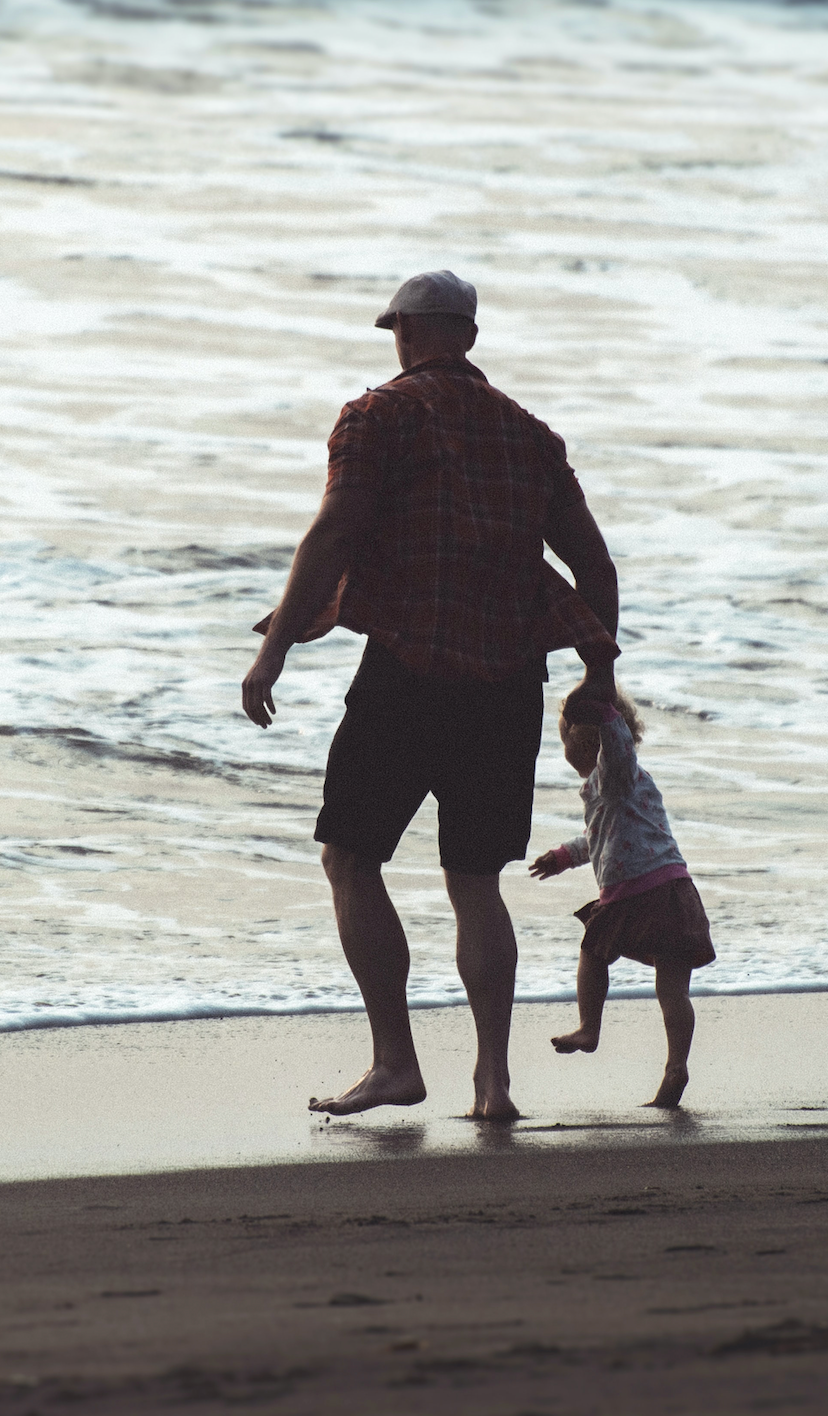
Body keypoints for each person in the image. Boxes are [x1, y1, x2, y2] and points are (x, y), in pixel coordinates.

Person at [241, 270, 621, 1121]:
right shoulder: (531, 435)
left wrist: (274, 652)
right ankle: (493, 1083)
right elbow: (594, 568)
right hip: (509, 680)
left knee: (350, 856)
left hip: (408, 670)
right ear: (471, 338)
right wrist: (598, 678)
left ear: (405, 333)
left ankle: (395, 1064)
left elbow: (336, 529)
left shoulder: (376, 416)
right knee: (475, 879)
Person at [529, 688, 715, 1109]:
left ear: (589, 741)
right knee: (672, 990)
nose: (563, 751)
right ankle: (676, 1068)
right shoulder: (613, 789)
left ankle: (588, 1026)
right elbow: (599, 839)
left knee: (593, 953)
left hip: (637, 896)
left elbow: (616, 746)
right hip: (672, 892)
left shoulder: (615, 773)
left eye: (564, 740)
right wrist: (564, 857)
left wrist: (602, 708)